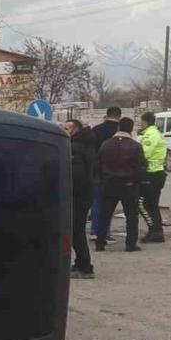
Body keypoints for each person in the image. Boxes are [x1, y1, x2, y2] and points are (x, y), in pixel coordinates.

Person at [96, 117, 147, 252]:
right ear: (131, 129)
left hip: (109, 184)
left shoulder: (106, 144)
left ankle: (100, 242)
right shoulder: (135, 146)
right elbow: (141, 167)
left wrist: (103, 180)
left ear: (119, 128)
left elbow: (98, 165)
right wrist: (136, 181)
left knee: (105, 215)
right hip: (128, 185)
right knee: (131, 216)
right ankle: (130, 244)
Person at [65, 119, 96, 278]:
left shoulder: (74, 148)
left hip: (78, 195)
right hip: (85, 193)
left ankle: (85, 267)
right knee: (77, 230)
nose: (64, 131)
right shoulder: (85, 144)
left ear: (74, 130)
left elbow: (76, 176)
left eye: (67, 128)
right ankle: (80, 263)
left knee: (76, 231)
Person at [90, 107, 121, 241]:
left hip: (97, 171)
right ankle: (105, 232)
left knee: (96, 202)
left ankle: (94, 230)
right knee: (108, 204)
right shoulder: (120, 131)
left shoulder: (96, 130)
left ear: (106, 115)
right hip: (114, 172)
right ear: (119, 116)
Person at [138, 111, 168, 243]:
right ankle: (157, 231)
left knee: (142, 203)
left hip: (151, 173)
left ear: (145, 122)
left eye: (141, 121)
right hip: (156, 172)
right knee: (152, 204)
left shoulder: (150, 135)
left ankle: (154, 230)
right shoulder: (155, 133)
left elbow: (144, 154)